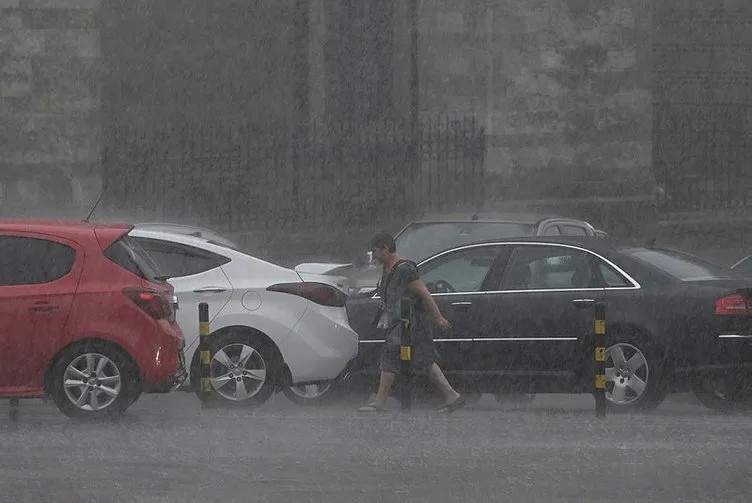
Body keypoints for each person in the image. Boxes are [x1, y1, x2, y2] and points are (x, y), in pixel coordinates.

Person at [357, 233, 465, 413]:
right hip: (401, 323)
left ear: (385, 247)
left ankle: (379, 401)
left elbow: (423, 292)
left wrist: (438, 317)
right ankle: (452, 396)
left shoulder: (404, 269)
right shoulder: (387, 269)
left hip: (409, 324)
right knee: (425, 360)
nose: (373, 256)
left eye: (375, 251)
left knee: (389, 357)